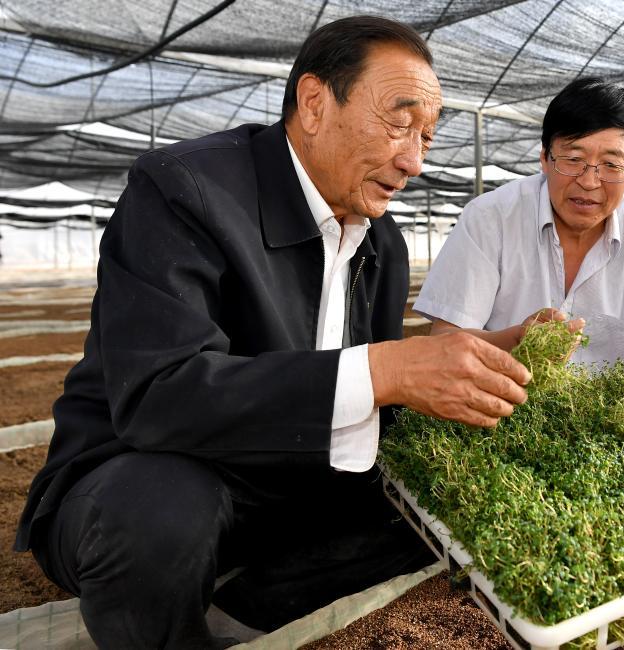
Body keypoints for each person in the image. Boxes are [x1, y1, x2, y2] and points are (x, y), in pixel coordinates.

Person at [15, 17, 534, 649]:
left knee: (444, 505)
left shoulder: (382, 242)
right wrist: (388, 369)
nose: (414, 160)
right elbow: (158, 394)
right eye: (399, 125)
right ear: (314, 103)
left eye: (426, 136)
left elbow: (374, 398)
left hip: (289, 487)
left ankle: (242, 610)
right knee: (162, 511)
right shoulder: (184, 190)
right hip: (142, 477)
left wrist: (474, 361)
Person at [413, 77, 624, 366]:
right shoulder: (490, 219)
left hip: (604, 399)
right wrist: (516, 342)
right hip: (498, 392)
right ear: (545, 158)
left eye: (611, 165)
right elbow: (446, 340)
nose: (589, 182)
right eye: (573, 159)